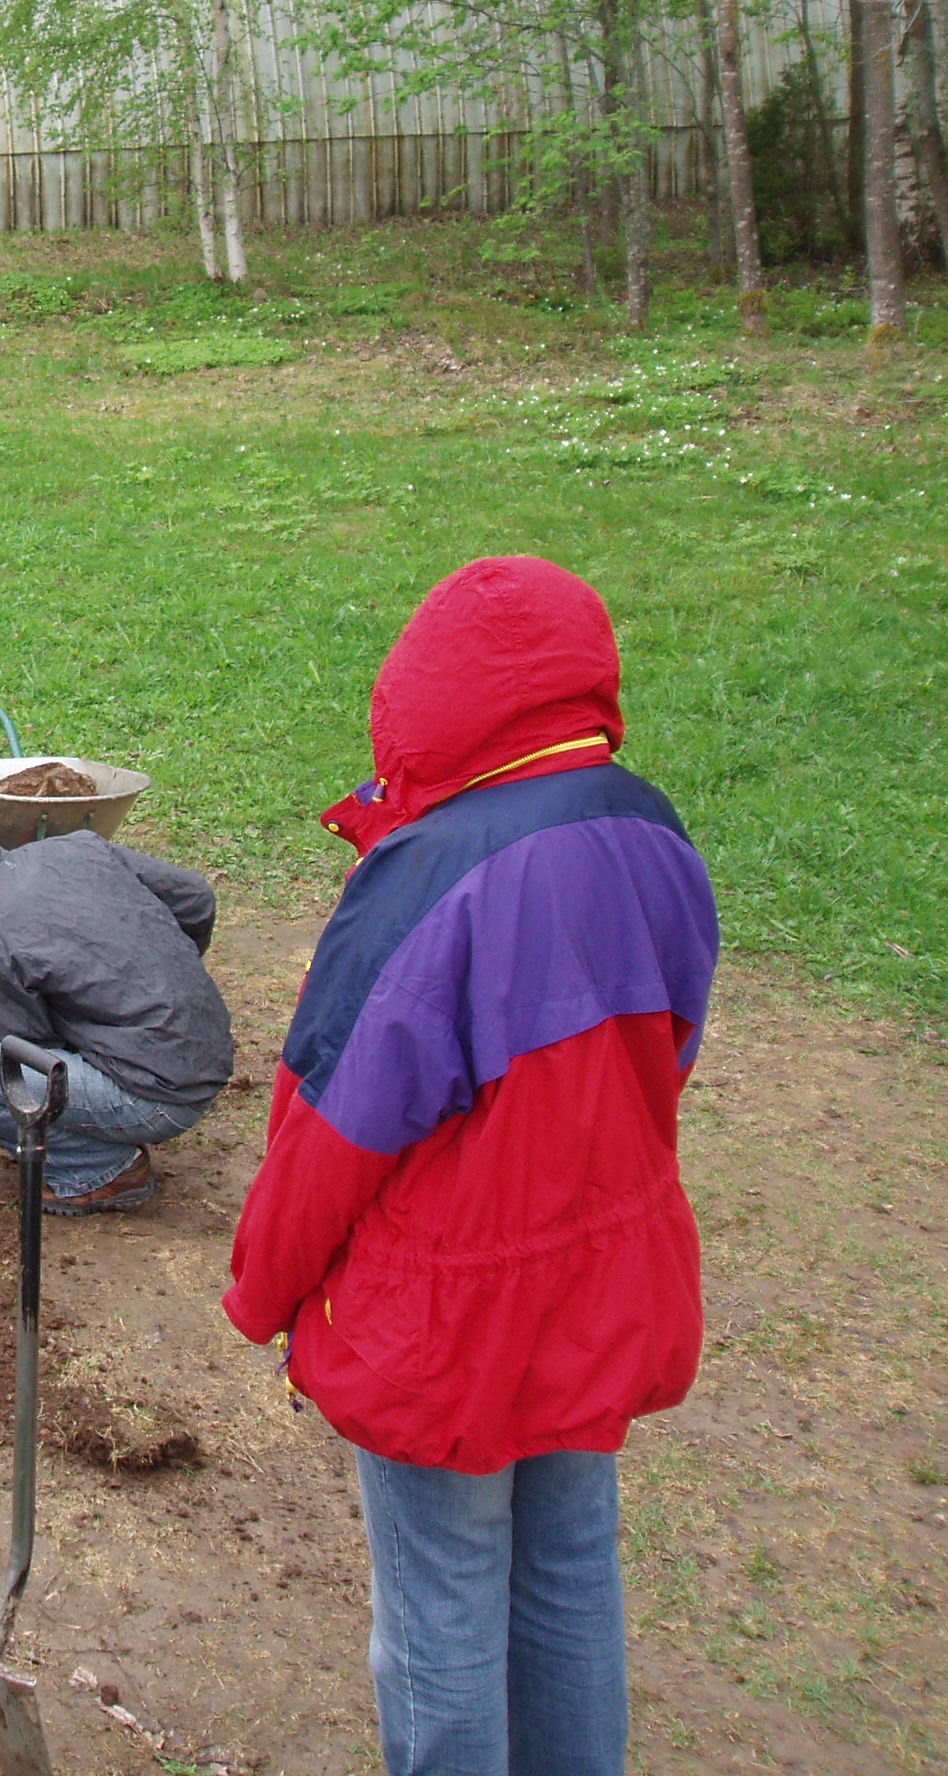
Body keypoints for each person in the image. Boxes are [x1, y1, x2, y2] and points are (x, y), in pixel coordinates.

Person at [221, 556, 720, 1776]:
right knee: (564, 1562)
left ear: (424, 698)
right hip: (601, 1275)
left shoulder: (430, 878)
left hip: (442, 1317)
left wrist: (261, 1293)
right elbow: (674, 1039)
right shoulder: (647, 826)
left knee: (441, 1604)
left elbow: (330, 1130)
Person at [0, 801, 233, 1215]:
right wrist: (158, 980)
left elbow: (22, 1064)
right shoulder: (74, 848)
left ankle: (100, 1172)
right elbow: (196, 899)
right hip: (208, 1046)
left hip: (159, 1097)